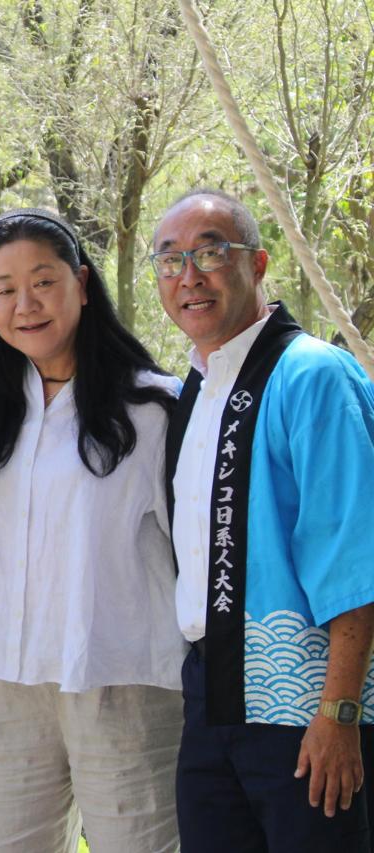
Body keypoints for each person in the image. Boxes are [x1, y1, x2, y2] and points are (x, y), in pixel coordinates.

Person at [0, 209, 186, 852]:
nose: (26, 303)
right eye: (4, 288)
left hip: (123, 679)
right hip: (4, 685)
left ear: (81, 282)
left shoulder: (155, 409)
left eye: (44, 281)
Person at [153, 188, 374, 852]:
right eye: (170, 260)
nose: (189, 275)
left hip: (307, 710)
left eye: (211, 252)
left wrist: (338, 712)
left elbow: (356, 553)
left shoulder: (311, 376)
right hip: (213, 702)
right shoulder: (197, 387)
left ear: (260, 263)